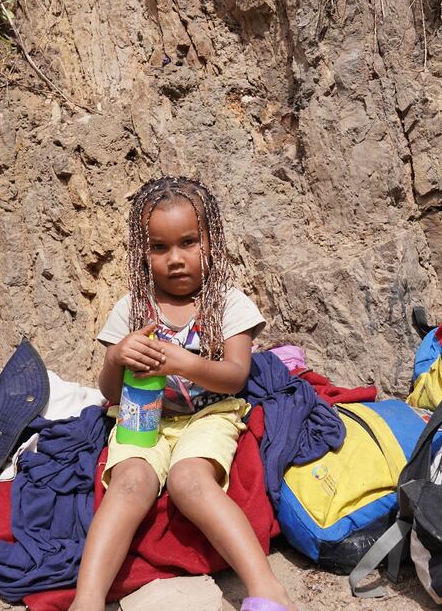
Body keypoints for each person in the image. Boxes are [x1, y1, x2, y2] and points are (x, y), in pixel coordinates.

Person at [71, 177, 297, 611]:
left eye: (189, 242)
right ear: (143, 252)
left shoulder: (228, 304)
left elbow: (235, 377)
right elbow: (109, 393)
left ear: (212, 242)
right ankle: (88, 600)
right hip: (142, 416)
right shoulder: (131, 309)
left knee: (189, 480)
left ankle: (266, 588)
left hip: (211, 414)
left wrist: (183, 363)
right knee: (130, 482)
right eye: (160, 247)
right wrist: (117, 357)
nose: (176, 259)